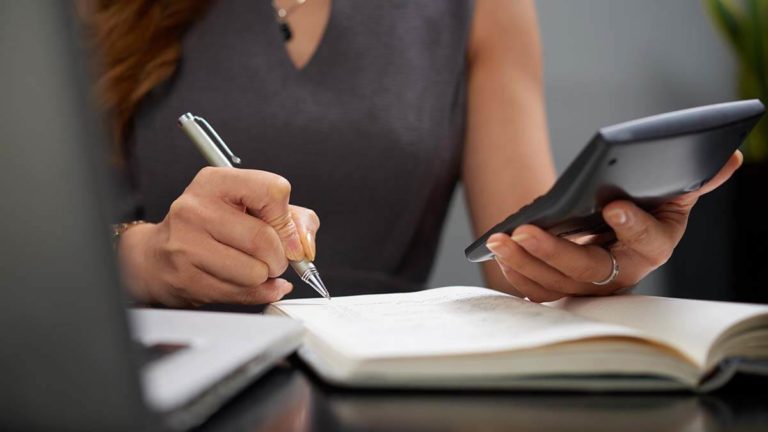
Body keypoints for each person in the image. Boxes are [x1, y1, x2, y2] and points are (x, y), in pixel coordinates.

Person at [83, 0, 741, 307]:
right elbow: (31, 248)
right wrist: (142, 256)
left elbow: (520, 258)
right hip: (150, 371)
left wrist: (606, 259)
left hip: (383, 385)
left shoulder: (484, 7)